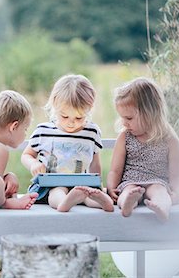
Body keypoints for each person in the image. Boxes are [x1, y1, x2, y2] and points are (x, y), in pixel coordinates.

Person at [21, 74, 114, 212]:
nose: (71, 122)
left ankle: (102, 202)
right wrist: (33, 164)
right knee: (57, 192)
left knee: (89, 194)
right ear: (54, 105)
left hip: (81, 183)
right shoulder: (44, 130)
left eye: (79, 117)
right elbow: (26, 155)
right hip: (51, 183)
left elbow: (95, 162)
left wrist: (97, 184)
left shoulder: (91, 132)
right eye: (64, 116)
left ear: (89, 109)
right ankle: (65, 202)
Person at [107, 77, 179, 221]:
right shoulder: (125, 137)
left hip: (157, 181)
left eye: (129, 118)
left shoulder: (169, 138)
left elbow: (176, 174)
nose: (124, 123)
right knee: (128, 191)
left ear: (149, 114)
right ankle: (128, 204)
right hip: (130, 181)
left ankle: (161, 208)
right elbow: (115, 170)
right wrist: (112, 188)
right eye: (122, 118)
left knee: (159, 191)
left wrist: (176, 193)